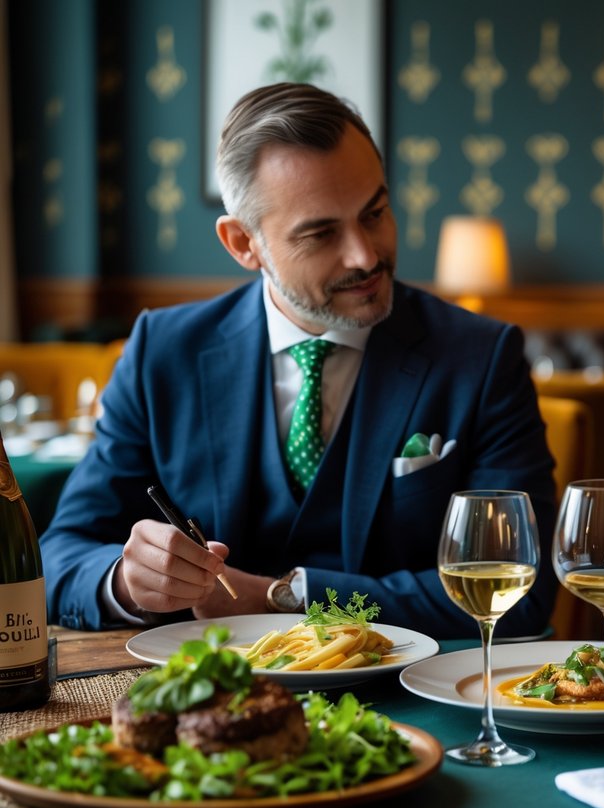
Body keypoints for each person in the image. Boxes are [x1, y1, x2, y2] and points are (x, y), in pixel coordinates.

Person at [41, 83, 557, 639]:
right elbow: (60, 556)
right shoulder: (161, 351)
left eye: (375, 212)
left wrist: (283, 598)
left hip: (405, 696)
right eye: (321, 233)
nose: (364, 254)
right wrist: (127, 581)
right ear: (243, 243)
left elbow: (520, 592)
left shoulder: (481, 356)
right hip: (213, 698)